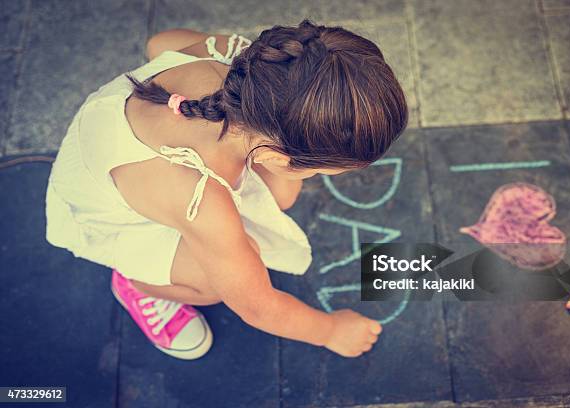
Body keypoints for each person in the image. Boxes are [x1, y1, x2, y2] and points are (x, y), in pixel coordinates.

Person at [44, 19, 408, 360]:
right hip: (111, 213)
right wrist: (329, 330)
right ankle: (137, 284)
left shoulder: (233, 56)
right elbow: (257, 305)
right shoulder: (201, 202)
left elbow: (159, 44)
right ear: (272, 155)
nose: (321, 175)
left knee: (281, 195)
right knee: (213, 284)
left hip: (119, 150)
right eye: (321, 170)